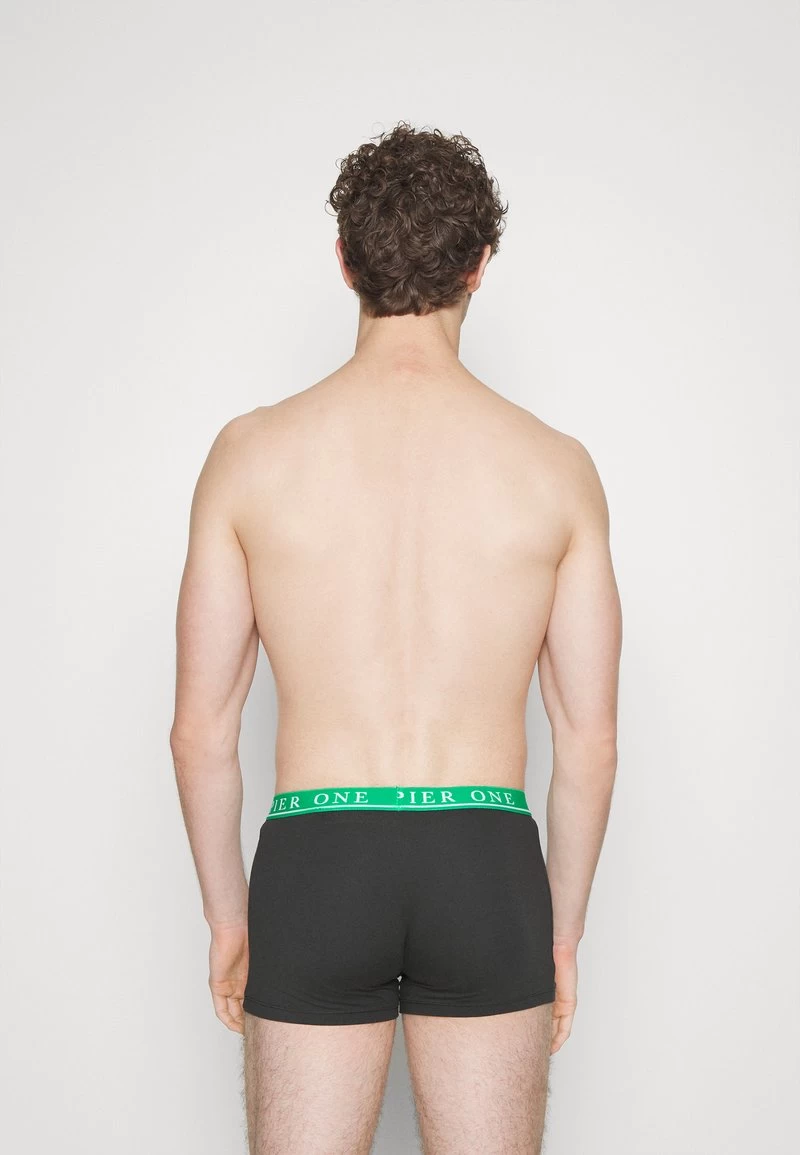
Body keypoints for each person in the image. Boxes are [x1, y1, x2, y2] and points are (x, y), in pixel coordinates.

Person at [170, 121, 622, 1155]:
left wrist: (231, 920)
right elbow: (588, 740)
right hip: (484, 854)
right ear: (479, 265)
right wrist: (557, 933)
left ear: (345, 262)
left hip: (317, 853)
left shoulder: (250, 455)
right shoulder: (555, 468)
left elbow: (201, 732)